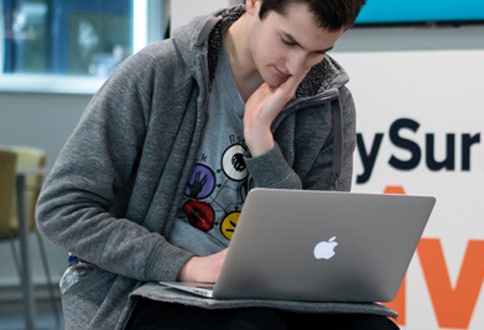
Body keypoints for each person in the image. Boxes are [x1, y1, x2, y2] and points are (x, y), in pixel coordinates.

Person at [35, 0, 385, 329]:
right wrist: (184, 266)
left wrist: (262, 146)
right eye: (288, 41)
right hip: (143, 287)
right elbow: (62, 208)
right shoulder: (157, 73)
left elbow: (314, 239)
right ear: (254, 3)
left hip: (269, 295)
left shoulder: (328, 102)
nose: (295, 67)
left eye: (316, 53)